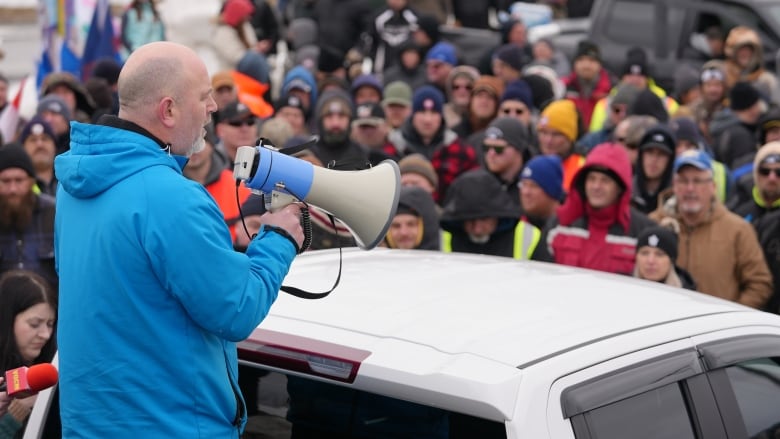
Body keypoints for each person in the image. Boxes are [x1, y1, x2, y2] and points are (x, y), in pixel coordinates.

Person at [53, 41, 305, 437]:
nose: (214, 108)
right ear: (168, 110)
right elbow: (236, 309)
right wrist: (279, 238)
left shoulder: (73, 186)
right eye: (204, 97)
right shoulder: (172, 196)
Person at [649, 149, 772, 308]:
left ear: (713, 186)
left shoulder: (738, 229)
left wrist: (732, 319)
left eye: (698, 181)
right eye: (683, 181)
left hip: (718, 330)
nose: (690, 188)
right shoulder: (653, 224)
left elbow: (759, 284)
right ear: (674, 185)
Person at [534, 143, 655, 275]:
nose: (596, 186)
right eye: (591, 179)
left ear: (620, 188)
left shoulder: (641, 232)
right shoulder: (559, 225)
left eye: (605, 181)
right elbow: (538, 276)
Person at [0, 270, 57, 438]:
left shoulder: (50, 373)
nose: (45, 334)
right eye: (34, 324)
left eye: (50, 324)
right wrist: (18, 410)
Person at [440, 169, 539, 259]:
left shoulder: (529, 236)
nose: (477, 229)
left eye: (484, 219)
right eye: (470, 221)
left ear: (498, 217)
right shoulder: (443, 237)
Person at [0, 143, 57, 287]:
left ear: (31, 181)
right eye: (6, 181)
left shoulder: (54, 214)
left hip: (49, 305)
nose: (12, 189)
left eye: (19, 180)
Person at [536, 99, 585, 191]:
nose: (548, 140)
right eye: (543, 133)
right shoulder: (529, 162)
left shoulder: (582, 167)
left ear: (570, 138)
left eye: (556, 134)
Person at [631, 124, 676, 214]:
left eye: (661, 154)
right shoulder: (627, 192)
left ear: (670, 160)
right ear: (641, 155)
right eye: (649, 152)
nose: (654, 160)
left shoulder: (676, 197)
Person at [633, 225, 696, 290]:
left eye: (659, 254)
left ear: (672, 260)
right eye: (645, 253)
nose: (650, 261)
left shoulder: (687, 294)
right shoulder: (624, 287)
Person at [384, 186, 440, 250]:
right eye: (396, 226)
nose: (404, 233)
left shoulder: (447, 259)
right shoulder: (374, 259)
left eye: (411, 224)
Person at [519, 154, 564, 230]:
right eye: (523, 184)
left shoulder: (570, 228)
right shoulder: (519, 224)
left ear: (551, 190)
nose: (525, 192)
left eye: (533, 186)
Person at [18, 117, 58, 197]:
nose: (40, 144)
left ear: (55, 146)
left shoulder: (67, 181)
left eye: (45, 139)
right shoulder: (16, 185)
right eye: (33, 140)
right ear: (23, 148)